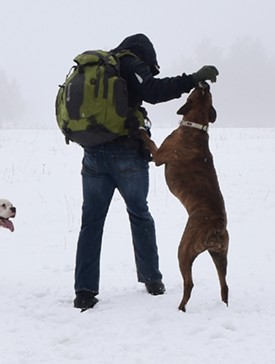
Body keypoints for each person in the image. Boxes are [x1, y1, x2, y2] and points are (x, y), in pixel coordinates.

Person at [73, 33, 219, 310]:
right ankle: (152, 279)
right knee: (139, 213)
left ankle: (84, 291)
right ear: (145, 54)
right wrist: (192, 79)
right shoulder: (130, 64)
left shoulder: (100, 66)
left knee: (91, 222)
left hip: (92, 154)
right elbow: (153, 91)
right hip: (127, 152)